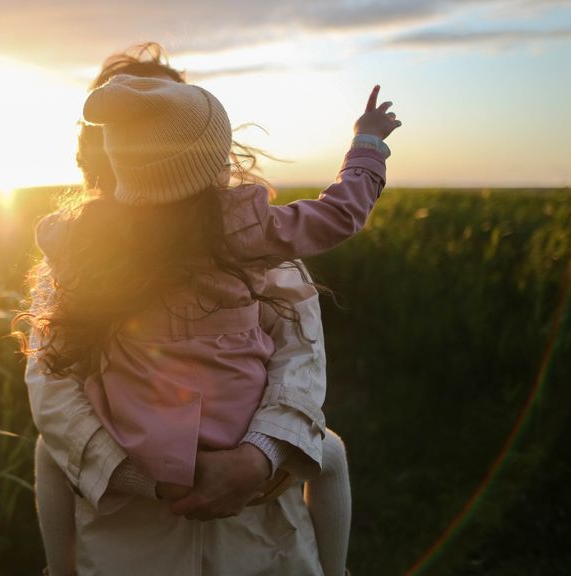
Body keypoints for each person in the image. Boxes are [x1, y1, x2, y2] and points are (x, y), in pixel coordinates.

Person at [20, 44, 399, 575]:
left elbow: (300, 355)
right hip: (128, 531)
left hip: (258, 525)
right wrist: (366, 147)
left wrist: (257, 458)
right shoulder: (248, 232)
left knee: (47, 454)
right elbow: (54, 388)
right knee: (329, 452)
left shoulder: (86, 243)